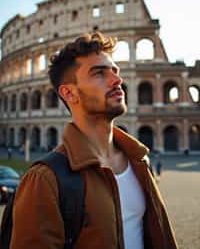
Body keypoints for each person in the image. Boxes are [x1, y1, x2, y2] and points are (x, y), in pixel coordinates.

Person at [10, 32, 178, 249]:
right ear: (70, 93)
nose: (117, 80)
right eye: (99, 73)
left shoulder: (139, 161)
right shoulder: (44, 179)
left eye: (115, 72)